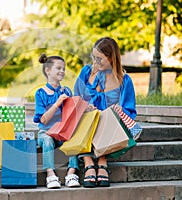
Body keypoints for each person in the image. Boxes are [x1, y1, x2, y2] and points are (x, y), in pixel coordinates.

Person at [74, 37, 137, 187]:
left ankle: (102, 161)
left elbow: (130, 111)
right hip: (87, 122)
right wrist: (85, 107)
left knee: (108, 118)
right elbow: (75, 98)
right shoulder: (87, 72)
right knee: (86, 118)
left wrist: (121, 110)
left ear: (111, 57)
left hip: (108, 127)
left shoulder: (124, 80)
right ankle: (88, 162)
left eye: (99, 58)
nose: (95, 62)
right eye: (94, 57)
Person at [33, 53, 80, 189]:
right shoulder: (40, 93)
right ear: (48, 71)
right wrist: (58, 102)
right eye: (58, 68)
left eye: (63, 69)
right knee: (47, 140)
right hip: (46, 132)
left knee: (73, 139)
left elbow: (72, 112)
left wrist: (84, 107)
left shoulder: (66, 91)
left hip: (62, 131)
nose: (62, 71)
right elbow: (43, 119)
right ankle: (50, 174)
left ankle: (72, 172)